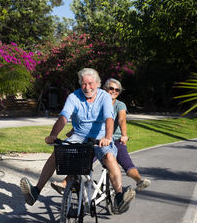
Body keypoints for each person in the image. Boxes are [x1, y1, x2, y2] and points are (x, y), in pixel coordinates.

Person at [20, 68, 135, 214]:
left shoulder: (105, 97)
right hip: (79, 136)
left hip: (101, 136)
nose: (87, 88)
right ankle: (35, 192)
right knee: (58, 153)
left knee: (110, 157)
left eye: (91, 83)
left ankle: (119, 198)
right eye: (84, 84)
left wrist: (107, 137)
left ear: (98, 84)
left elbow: (109, 119)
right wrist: (53, 135)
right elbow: (64, 117)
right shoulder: (74, 97)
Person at [51, 78, 151, 194]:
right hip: (96, 140)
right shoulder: (97, 101)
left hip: (115, 139)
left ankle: (139, 180)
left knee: (125, 161)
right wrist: (74, 130)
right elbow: (87, 120)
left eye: (117, 90)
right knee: (82, 161)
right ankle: (65, 184)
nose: (114, 91)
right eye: (111, 88)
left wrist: (124, 135)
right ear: (105, 89)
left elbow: (122, 119)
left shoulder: (119, 105)